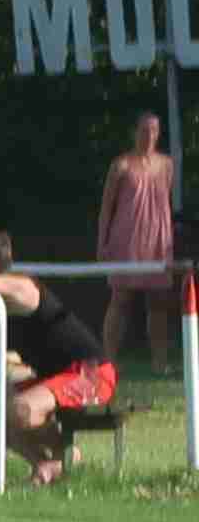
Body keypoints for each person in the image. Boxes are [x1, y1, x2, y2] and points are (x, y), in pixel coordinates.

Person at [0, 227, 120, 484]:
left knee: (19, 410)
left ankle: (67, 455)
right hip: (53, 376)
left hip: (92, 374)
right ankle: (44, 464)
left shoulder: (21, 286)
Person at [100, 112, 175, 361]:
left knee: (158, 303)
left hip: (158, 240)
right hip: (127, 239)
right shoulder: (120, 165)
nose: (149, 135)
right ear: (134, 132)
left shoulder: (167, 164)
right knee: (120, 300)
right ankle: (108, 360)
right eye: (144, 130)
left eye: (153, 130)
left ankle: (160, 362)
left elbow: (165, 202)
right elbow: (107, 208)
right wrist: (102, 243)